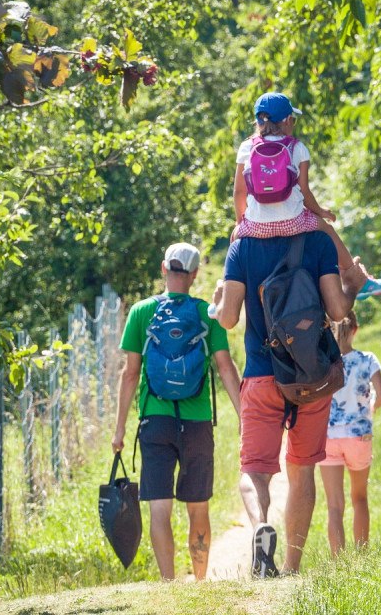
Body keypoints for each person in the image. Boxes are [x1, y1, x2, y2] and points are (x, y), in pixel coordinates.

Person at [212, 231, 369, 577]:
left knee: (254, 469)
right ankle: (291, 566)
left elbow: (227, 319)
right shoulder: (317, 241)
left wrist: (217, 300)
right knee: (302, 469)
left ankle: (259, 527)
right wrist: (354, 284)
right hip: (311, 376)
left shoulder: (242, 248)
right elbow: (339, 311)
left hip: (261, 374)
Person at [111, 243, 243, 581]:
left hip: (155, 421)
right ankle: (199, 582)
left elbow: (130, 374)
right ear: (195, 273)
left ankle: (169, 586)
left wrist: (119, 430)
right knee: (198, 506)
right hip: (196, 421)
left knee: (159, 508)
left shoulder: (141, 312)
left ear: (163, 269)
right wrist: (245, 417)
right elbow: (226, 368)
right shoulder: (207, 313)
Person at [232, 92, 381, 300]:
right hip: (293, 222)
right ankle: (354, 276)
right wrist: (321, 212)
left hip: (256, 226)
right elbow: (304, 193)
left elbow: (239, 191)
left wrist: (240, 222)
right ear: (287, 120)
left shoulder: (246, 147)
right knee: (327, 229)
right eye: (293, 120)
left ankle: (226, 292)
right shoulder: (298, 148)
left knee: (234, 240)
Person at [319, 311, 381, 555]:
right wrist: (370, 410)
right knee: (359, 498)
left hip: (329, 437)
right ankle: (361, 557)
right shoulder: (368, 359)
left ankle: (339, 563)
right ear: (356, 330)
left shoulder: (324, 362)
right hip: (359, 435)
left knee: (334, 506)